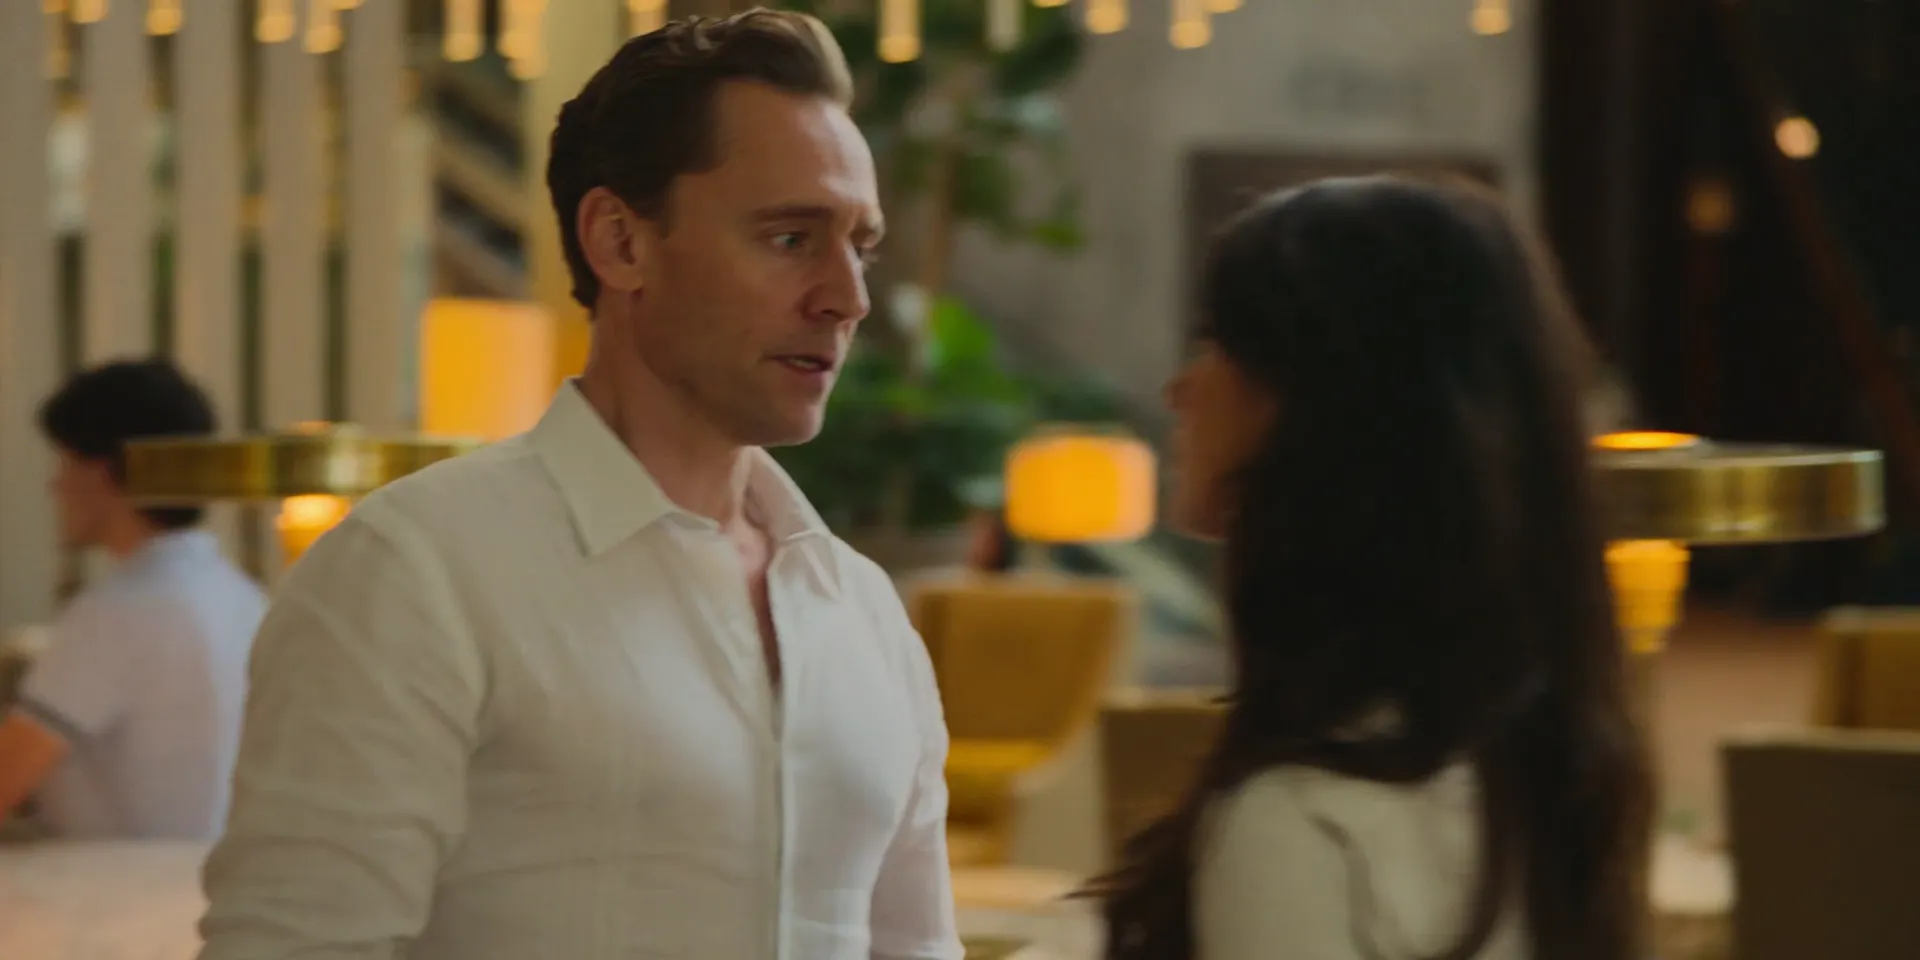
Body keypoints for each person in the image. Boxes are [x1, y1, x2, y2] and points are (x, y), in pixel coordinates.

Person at [198, 11, 959, 960]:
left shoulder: (863, 612)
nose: (846, 297)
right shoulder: (416, 572)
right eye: (789, 237)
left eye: (861, 246)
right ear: (620, 242)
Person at [1089, 177, 1654, 960]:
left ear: (1320, 402)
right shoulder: (1526, 773)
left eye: (1218, 342)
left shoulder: (1301, 822)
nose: (1180, 389)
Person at [0, 358, 265, 840]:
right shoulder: (244, 599)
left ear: (103, 472)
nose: (54, 486)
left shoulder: (117, 611)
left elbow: (8, 777)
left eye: (65, 463)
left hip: (123, 882)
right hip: (223, 874)